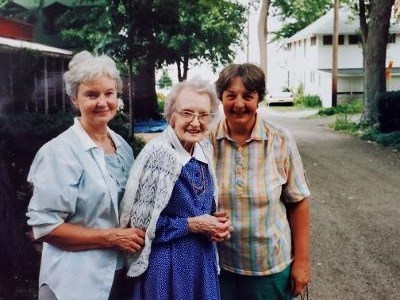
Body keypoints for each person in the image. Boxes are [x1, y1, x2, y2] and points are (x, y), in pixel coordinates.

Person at [26, 51, 145, 300]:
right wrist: (112, 238)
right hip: (74, 283)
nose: (102, 102)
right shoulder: (58, 152)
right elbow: (46, 227)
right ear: (74, 100)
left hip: (120, 275)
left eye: (109, 93)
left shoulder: (122, 146)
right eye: (91, 94)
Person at [119, 79, 232, 300]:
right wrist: (191, 225)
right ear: (171, 115)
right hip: (167, 269)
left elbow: (202, 210)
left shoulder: (204, 148)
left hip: (201, 263)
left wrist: (217, 224)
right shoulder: (159, 156)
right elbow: (139, 228)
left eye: (203, 115)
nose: (195, 122)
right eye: (187, 113)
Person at [210, 63, 311, 299]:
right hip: (218, 266)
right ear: (221, 98)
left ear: (259, 99)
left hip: (269, 269)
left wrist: (302, 263)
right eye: (231, 96)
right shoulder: (206, 140)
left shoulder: (280, 140)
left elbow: (299, 202)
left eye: (248, 96)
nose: (239, 104)